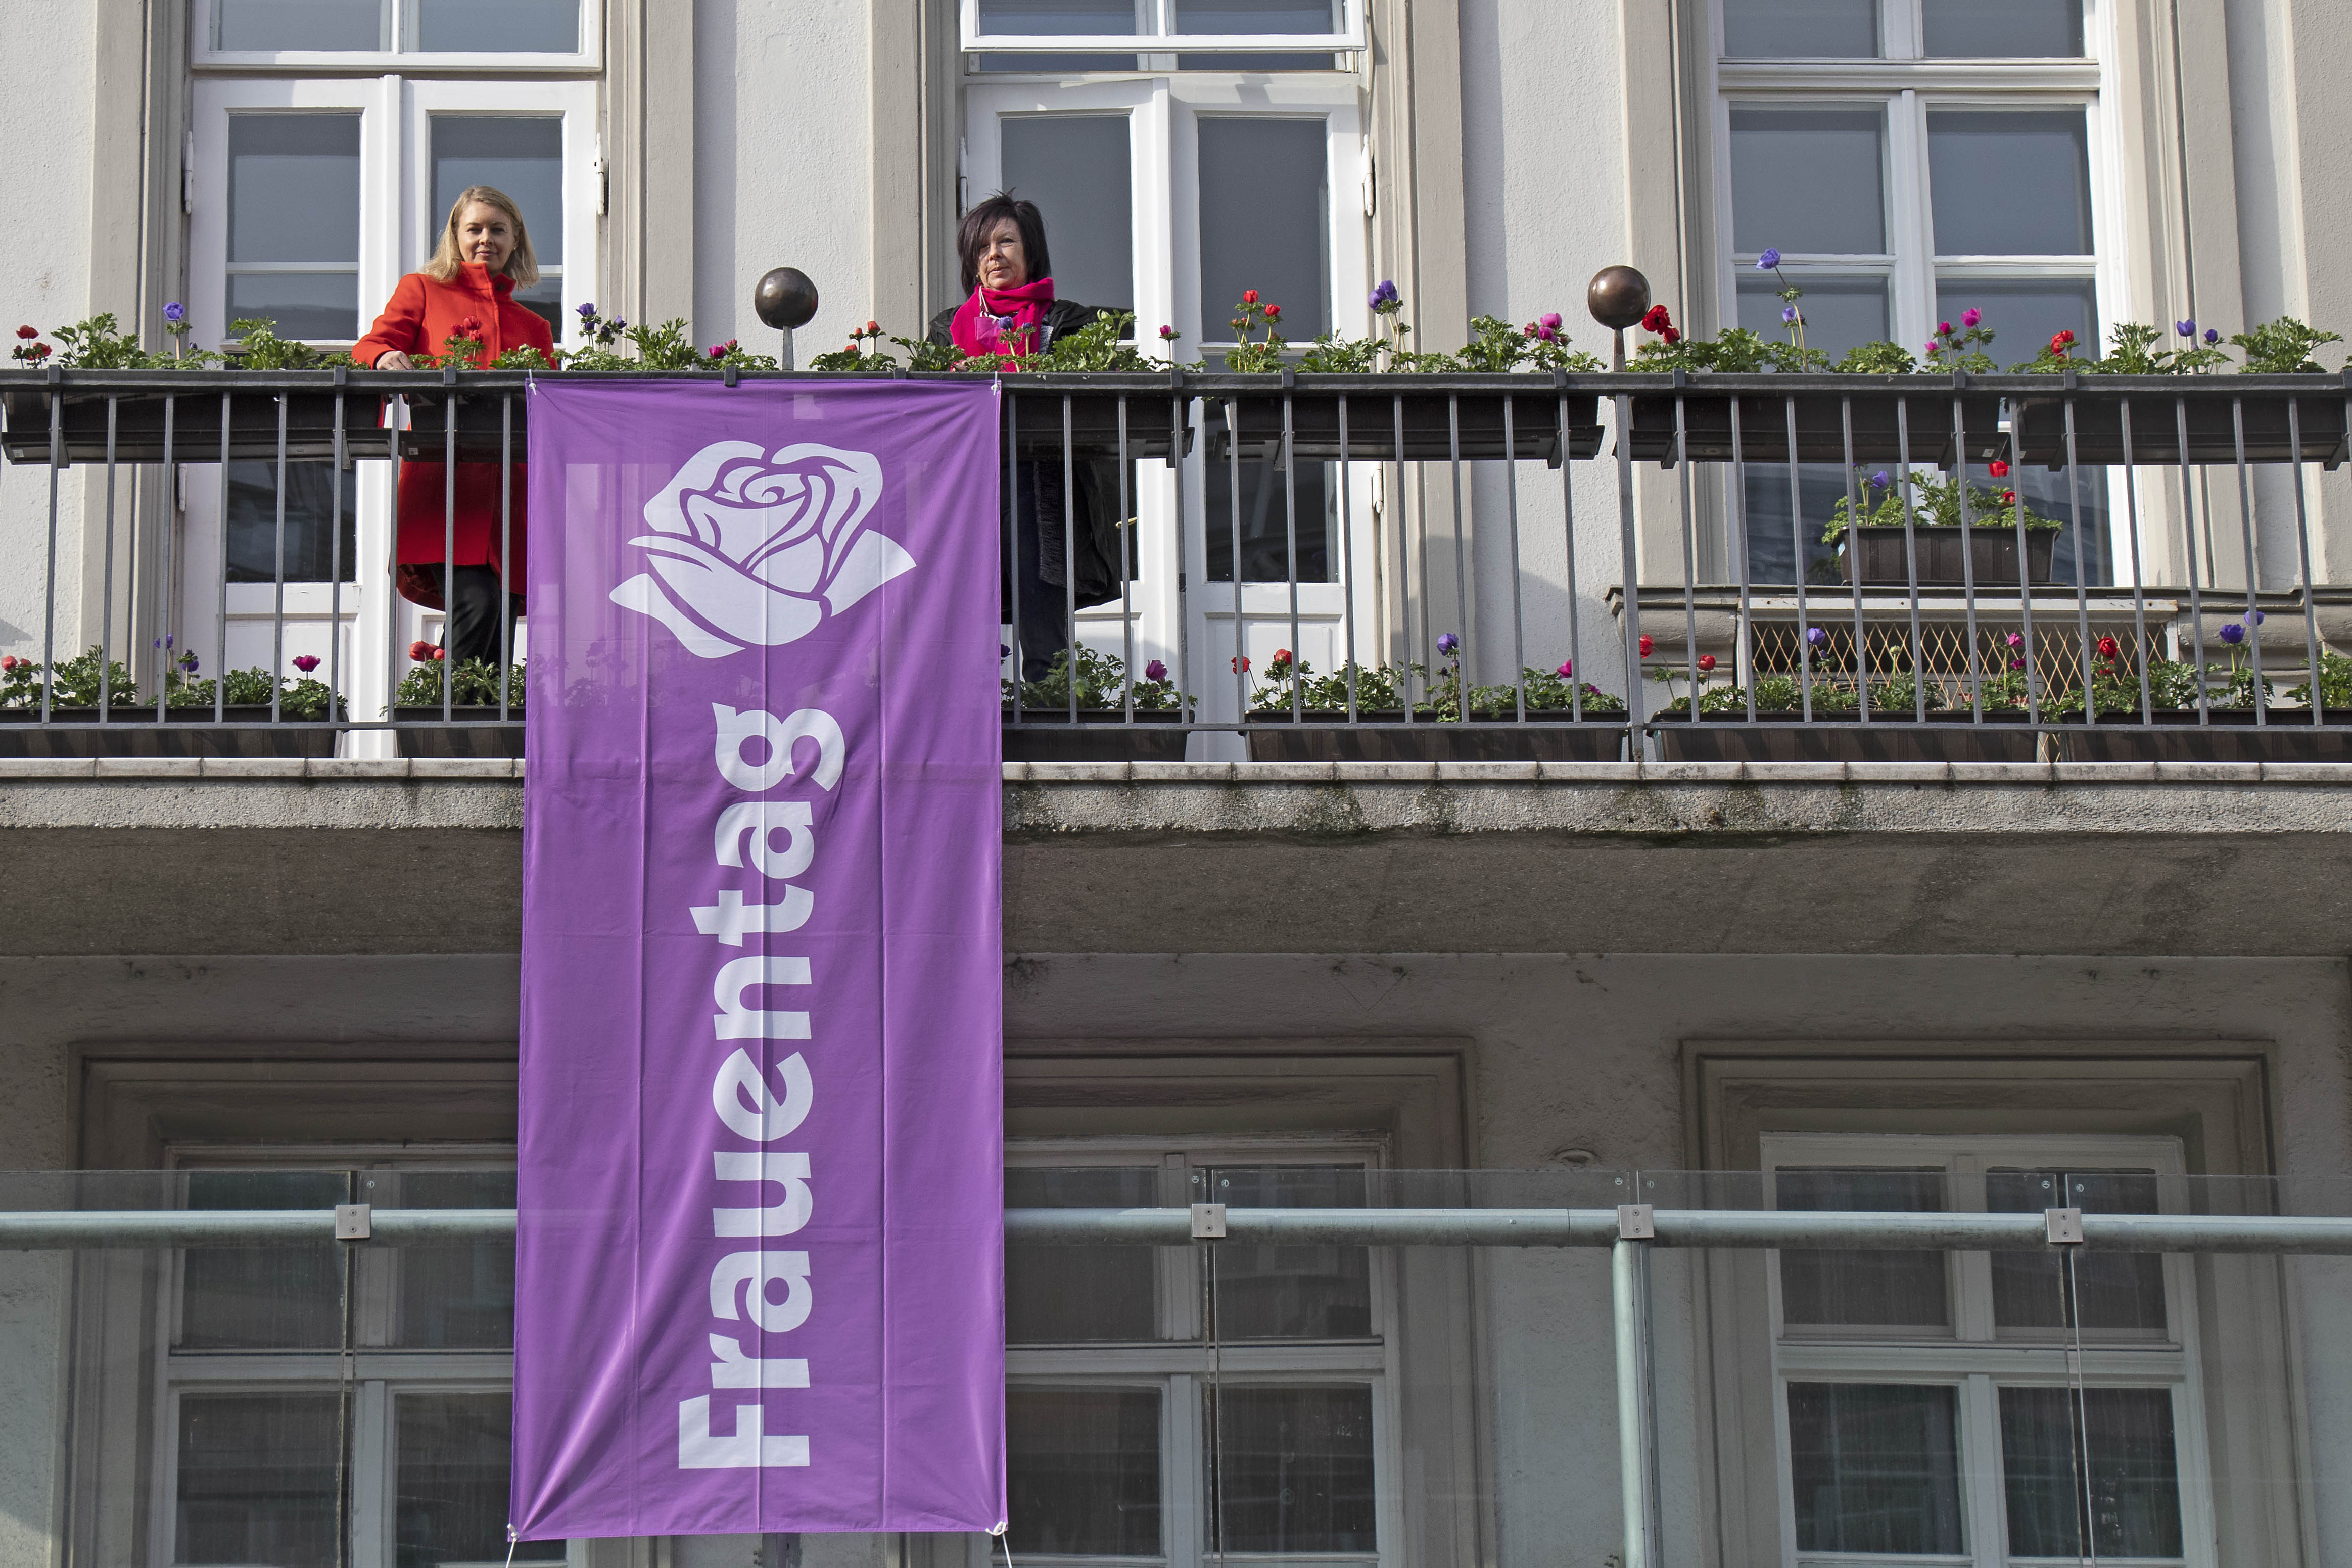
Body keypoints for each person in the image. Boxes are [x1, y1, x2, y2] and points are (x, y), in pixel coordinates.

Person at [927, 192, 1128, 685]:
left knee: (1044, 633)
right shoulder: (945, 331)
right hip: (968, 493)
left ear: (1031, 253)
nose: (993, 255)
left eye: (1006, 242)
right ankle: (968, 732)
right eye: (981, 247)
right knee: (963, 630)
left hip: (1042, 489)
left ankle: (1049, 724)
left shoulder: (1066, 322)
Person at [352, 185, 557, 667]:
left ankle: (468, 719)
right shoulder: (422, 290)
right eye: (475, 229)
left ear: (515, 239)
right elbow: (371, 345)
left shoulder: (534, 326)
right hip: (444, 487)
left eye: (498, 230)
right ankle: (444, 720)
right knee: (478, 602)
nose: (486, 239)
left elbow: (544, 413)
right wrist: (384, 356)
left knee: (499, 618)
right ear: (456, 236)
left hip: (509, 494)